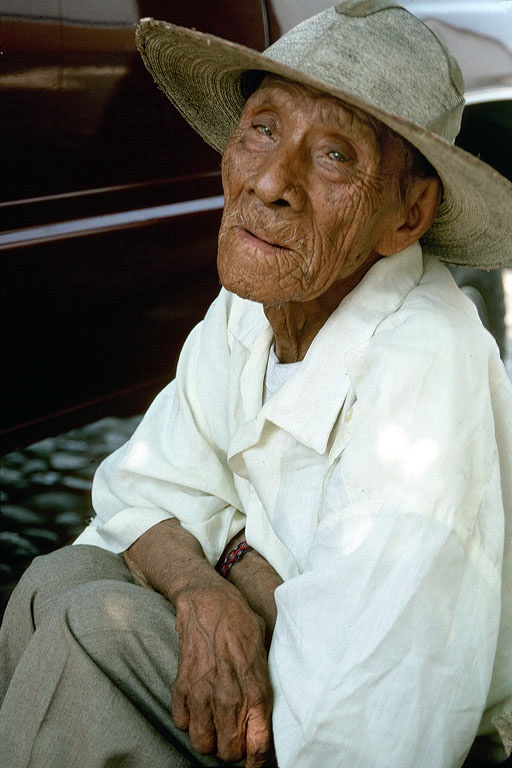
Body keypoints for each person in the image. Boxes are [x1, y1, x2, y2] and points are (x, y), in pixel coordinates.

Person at [1, 2, 511, 766]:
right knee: (56, 581)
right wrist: (211, 586)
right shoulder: (261, 299)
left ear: (408, 217)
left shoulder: (423, 376)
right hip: (295, 670)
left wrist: (238, 576)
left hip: (372, 729)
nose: (270, 181)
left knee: (88, 635)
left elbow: (361, 726)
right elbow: (142, 490)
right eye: (263, 128)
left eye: (336, 155)